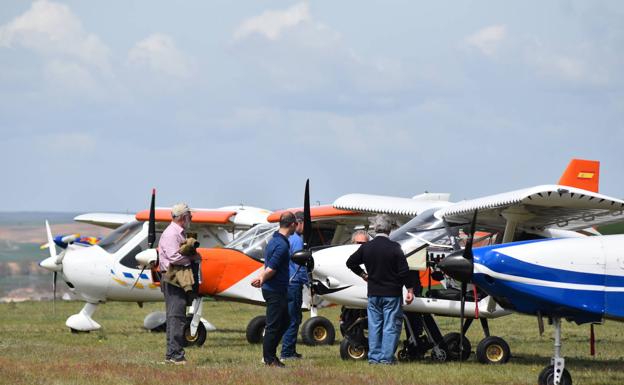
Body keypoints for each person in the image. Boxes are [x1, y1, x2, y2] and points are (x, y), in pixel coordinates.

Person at [346, 214, 414, 364]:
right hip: (392, 294)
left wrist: (363, 274)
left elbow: (350, 262)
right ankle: (386, 358)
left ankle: (374, 358)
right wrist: (410, 290)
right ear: (389, 230)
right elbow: (404, 271)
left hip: (374, 293)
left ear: (375, 229)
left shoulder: (366, 247)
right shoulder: (395, 248)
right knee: (390, 326)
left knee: (374, 325)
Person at [251, 211, 297, 367]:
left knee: (285, 321)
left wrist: (262, 278)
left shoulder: (274, 240)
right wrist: (262, 278)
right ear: (292, 224)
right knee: (274, 324)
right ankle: (269, 358)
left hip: (275, 288)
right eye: (296, 224)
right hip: (275, 289)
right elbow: (272, 268)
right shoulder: (282, 245)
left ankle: (270, 354)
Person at [158, 202, 199, 365]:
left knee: (174, 316)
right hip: (174, 277)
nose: (191, 217)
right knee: (177, 316)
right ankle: (176, 355)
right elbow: (174, 257)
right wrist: (193, 258)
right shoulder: (172, 234)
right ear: (183, 217)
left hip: (175, 276)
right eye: (189, 215)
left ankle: (171, 354)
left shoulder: (177, 232)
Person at [281, 211, 306, 360]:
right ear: (299, 223)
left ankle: (290, 349)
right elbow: (300, 265)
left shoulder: (288, 239)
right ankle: (287, 352)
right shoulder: (297, 240)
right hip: (294, 283)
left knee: (292, 317)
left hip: (286, 282)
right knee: (294, 318)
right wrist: (308, 283)